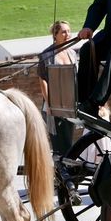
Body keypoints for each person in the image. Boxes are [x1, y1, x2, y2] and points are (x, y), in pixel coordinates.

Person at [37, 20, 78, 154]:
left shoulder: (72, 53)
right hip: (54, 104)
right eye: (63, 32)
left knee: (68, 139)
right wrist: (49, 104)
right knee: (58, 142)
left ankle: (68, 168)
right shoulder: (47, 54)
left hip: (70, 103)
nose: (68, 34)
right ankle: (61, 171)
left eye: (68, 31)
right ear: (55, 35)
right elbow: (43, 80)